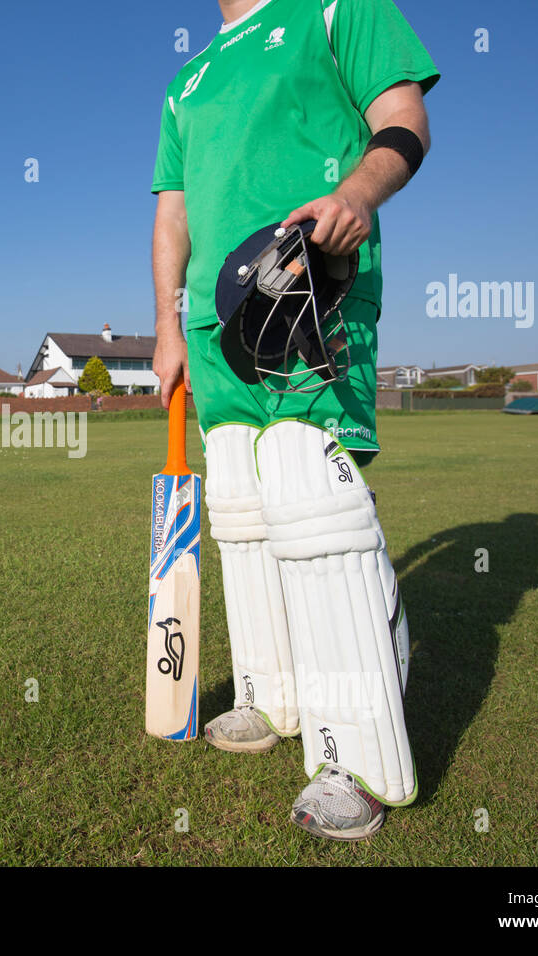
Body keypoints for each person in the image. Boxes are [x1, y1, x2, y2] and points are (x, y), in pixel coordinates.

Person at [150, 0, 439, 840]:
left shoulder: (335, 8)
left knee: (313, 502)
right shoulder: (185, 79)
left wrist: (356, 192)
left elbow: (404, 117)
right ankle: (266, 694)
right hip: (209, 320)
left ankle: (356, 753)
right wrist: (168, 325)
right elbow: (174, 211)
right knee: (240, 510)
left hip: (308, 280)